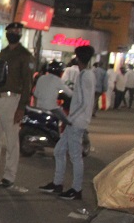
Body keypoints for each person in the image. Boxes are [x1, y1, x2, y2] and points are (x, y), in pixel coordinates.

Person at [39, 45, 96, 201]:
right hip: (76, 120)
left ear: (78, 58)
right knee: (59, 151)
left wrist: (70, 118)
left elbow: (83, 102)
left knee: (75, 156)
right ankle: (57, 184)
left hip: (76, 122)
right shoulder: (87, 74)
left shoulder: (84, 75)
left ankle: (76, 189)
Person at [0, 22, 34, 188]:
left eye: (18, 31)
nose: (15, 33)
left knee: (11, 140)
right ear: (7, 32)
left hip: (12, 99)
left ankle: (9, 175)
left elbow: (27, 83)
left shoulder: (25, 55)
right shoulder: (3, 52)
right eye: (12, 30)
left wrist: (22, 107)